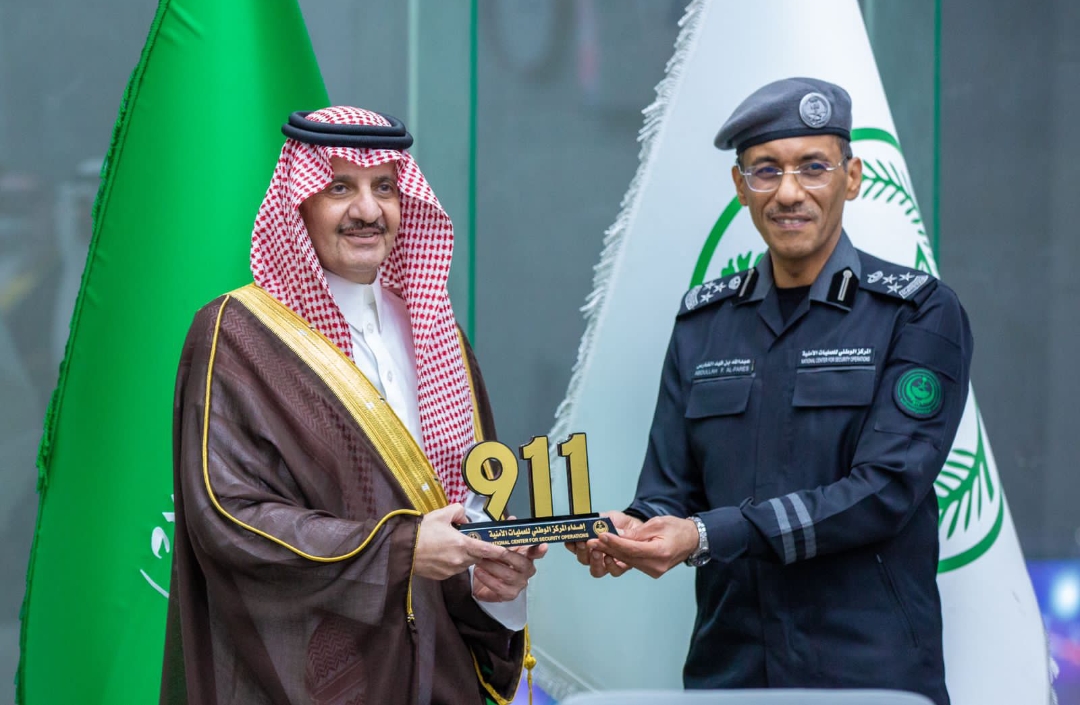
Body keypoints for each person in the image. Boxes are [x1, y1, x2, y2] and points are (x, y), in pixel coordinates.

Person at [570, 78, 971, 705]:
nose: (788, 192)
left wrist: (706, 535)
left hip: (867, 675)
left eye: (813, 167)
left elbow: (885, 490)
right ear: (740, 186)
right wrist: (630, 529)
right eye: (765, 170)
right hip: (730, 670)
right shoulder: (704, 323)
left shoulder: (918, 313)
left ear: (852, 177)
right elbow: (669, 489)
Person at [161, 106, 545, 705]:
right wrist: (403, 550)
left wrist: (490, 576)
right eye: (340, 187)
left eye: (384, 188)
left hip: (440, 674)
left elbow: (465, 506)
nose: (368, 210)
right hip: (305, 681)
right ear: (299, 204)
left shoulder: (437, 333)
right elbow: (230, 520)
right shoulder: (237, 335)